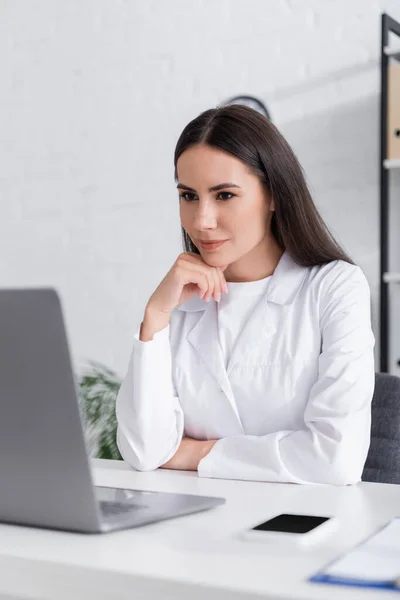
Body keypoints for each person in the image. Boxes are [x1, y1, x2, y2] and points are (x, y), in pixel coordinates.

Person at [115, 104, 375, 485]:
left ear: (274, 195)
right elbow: (143, 450)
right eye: (188, 196)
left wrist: (197, 452)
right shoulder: (180, 300)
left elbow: (335, 459)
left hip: (301, 527)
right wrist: (154, 317)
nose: (202, 221)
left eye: (224, 195)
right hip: (195, 529)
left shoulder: (335, 287)